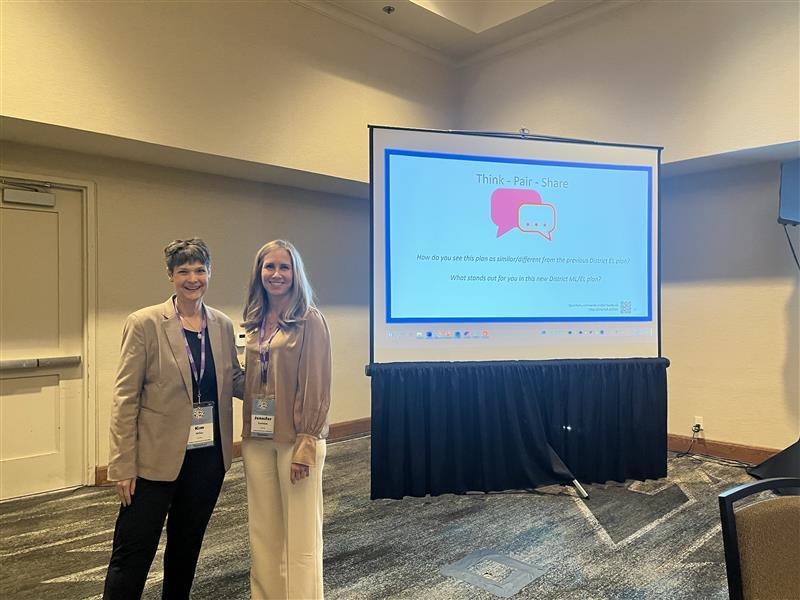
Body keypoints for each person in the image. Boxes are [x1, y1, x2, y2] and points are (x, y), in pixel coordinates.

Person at [103, 238, 244, 600]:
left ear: (210, 273)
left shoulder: (222, 325)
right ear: (170, 275)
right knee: (133, 553)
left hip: (207, 459)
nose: (192, 278)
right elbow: (125, 398)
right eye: (184, 271)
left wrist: (283, 376)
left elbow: (236, 379)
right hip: (153, 462)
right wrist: (122, 464)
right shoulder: (145, 323)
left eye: (200, 270)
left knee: (186, 547)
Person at [240, 239, 332, 600]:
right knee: (263, 532)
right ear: (259, 273)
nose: (276, 274)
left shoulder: (310, 319)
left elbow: (317, 384)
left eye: (284, 267)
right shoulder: (254, 320)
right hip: (257, 439)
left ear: (296, 273)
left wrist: (306, 444)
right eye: (269, 267)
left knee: (301, 534)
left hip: (297, 440)